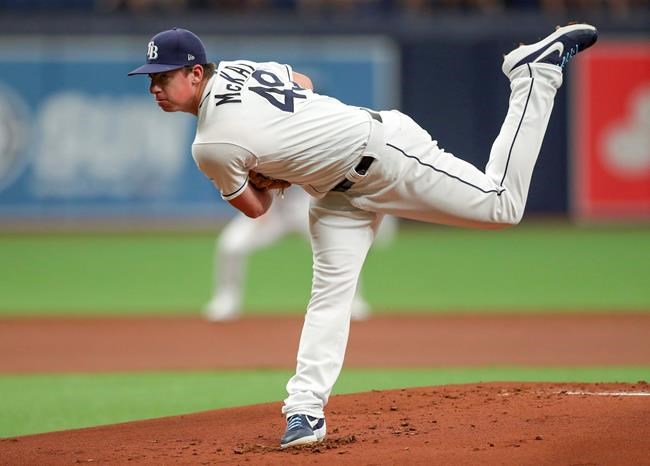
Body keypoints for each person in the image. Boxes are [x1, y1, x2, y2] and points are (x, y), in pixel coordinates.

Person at [128, 23, 598, 448]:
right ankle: (305, 411)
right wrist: (287, 149)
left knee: (502, 206)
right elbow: (303, 85)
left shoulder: (211, 145)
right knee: (329, 295)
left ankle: (534, 76)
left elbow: (257, 208)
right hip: (334, 195)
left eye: (162, 76)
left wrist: (269, 171)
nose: (154, 87)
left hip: (385, 156)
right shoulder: (237, 68)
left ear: (193, 73)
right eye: (150, 78)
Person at [203, 186, 398, 322]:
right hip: (272, 208)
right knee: (231, 245)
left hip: (309, 203)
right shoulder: (262, 137)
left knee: (338, 248)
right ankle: (226, 301)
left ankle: (354, 301)